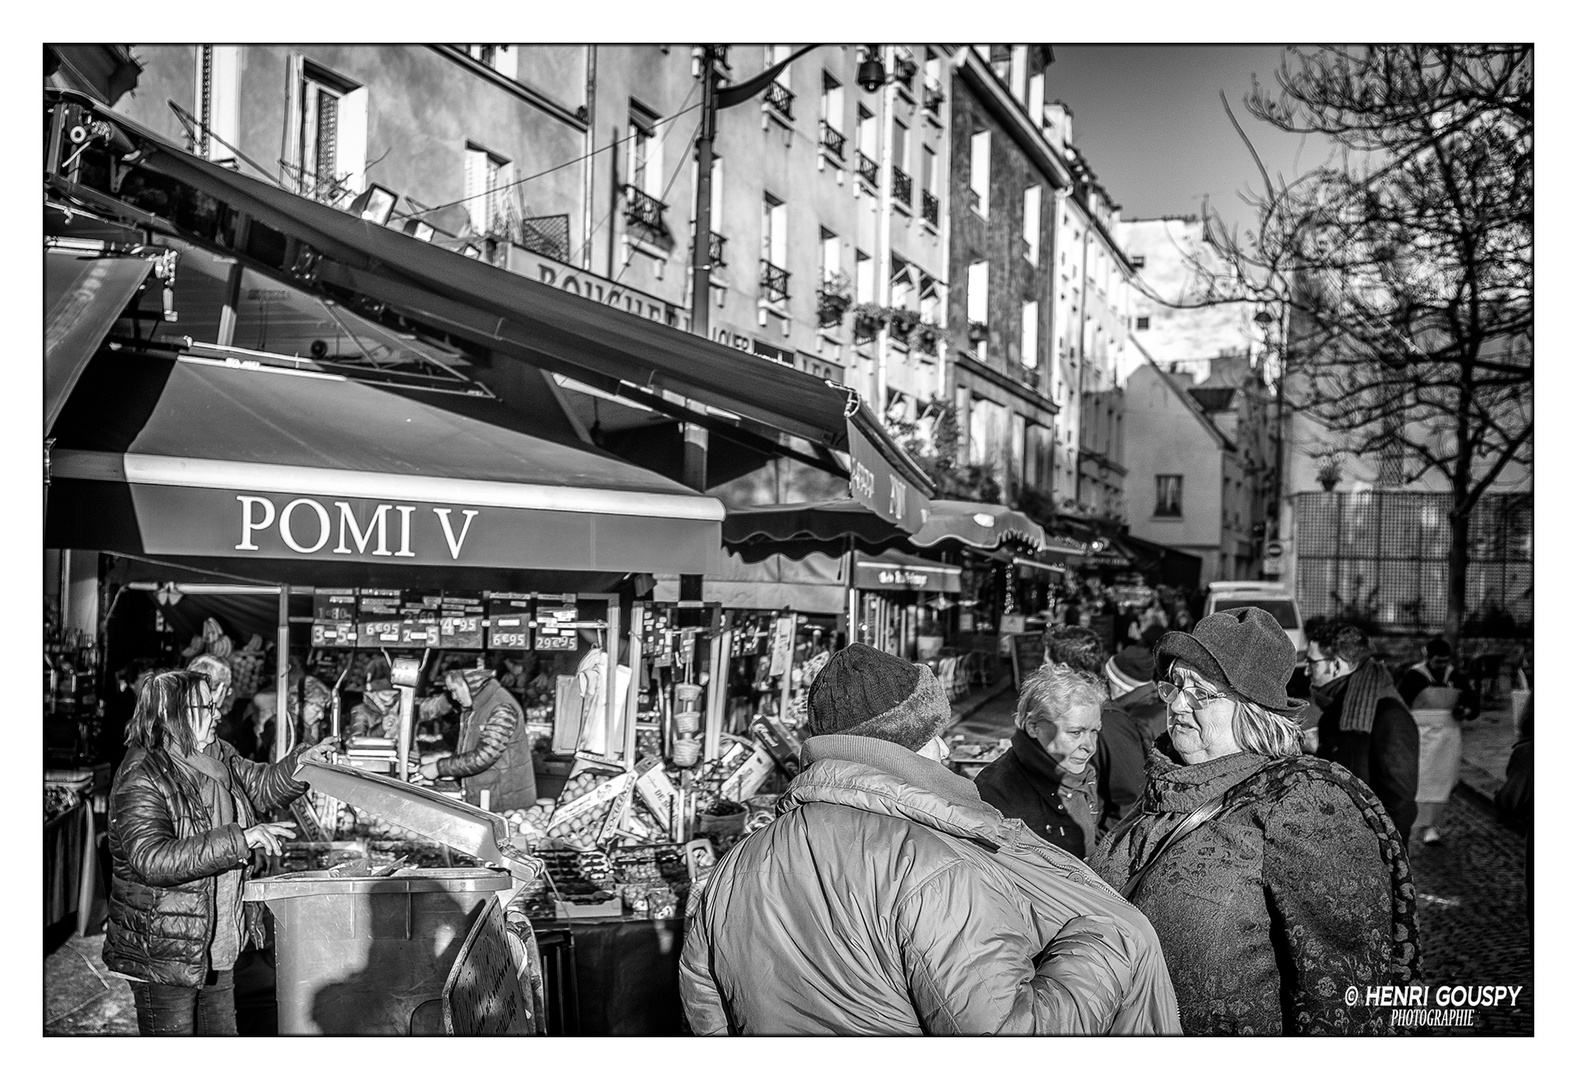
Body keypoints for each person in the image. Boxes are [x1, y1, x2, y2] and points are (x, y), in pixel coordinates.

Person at [679, 643, 1180, 1035]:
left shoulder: (734, 866)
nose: (944, 746)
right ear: (901, 748)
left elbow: (709, 1022)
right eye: (931, 736)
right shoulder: (934, 865)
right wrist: (1104, 940)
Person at [1089, 608, 1420, 1035]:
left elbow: (1346, 1001)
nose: (1179, 704)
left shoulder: (1302, 806)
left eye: (1203, 694)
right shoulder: (1164, 785)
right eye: (1175, 687)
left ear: (1253, 711)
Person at [102, 668, 334, 1035]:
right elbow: (153, 859)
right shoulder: (142, 774)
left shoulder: (216, 753)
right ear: (174, 712)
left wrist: (302, 765)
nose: (218, 713)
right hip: (167, 948)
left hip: (218, 942)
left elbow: (260, 785)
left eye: (215, 704)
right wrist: (240, 839)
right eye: (207, 707)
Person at [975, 661, 1104, 857]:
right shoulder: (997, 791)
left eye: (1094, 731)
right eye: (1076, 732)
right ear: (1033, 727)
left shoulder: (1081, 774)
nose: (1090, 746)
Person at [1307, 622, 1420, 844]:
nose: (1306, 670)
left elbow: (1400, 804)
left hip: (1364, 853)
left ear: (1336, 666)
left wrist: (1382, 864)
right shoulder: (1342, 706)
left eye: (1312, 662)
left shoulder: (1389, 714)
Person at [418, 666, 535, 812]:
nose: (453, 697)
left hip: (506, 803)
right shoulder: (475, 707)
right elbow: (471, 748)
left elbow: (484, 755)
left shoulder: (501, 707)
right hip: (488, 795)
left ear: (470, 684)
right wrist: (442, 757)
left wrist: (439, 768)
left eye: (454, 690)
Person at [1397, 637, 1479, 844]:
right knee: (1422, 780)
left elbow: (1473, 704)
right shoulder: (1414, 677)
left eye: (1445, 661)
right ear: (1428, 658)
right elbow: (1399, 704)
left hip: (1449, 737)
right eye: (1437, 662)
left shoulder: (1457, 677)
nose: (1442, 666)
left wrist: (1466, 711)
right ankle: (1420, 823)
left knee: (1445, 781)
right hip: (1421, 736)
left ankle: (1434, 823)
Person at [1095, 644, 1170, 833]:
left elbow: (1129, 795)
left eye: (1108, 680)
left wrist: (1103, 841)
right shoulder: (1162, 709)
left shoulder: (1120, 722)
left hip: (1124, 830)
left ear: (1119, 686)